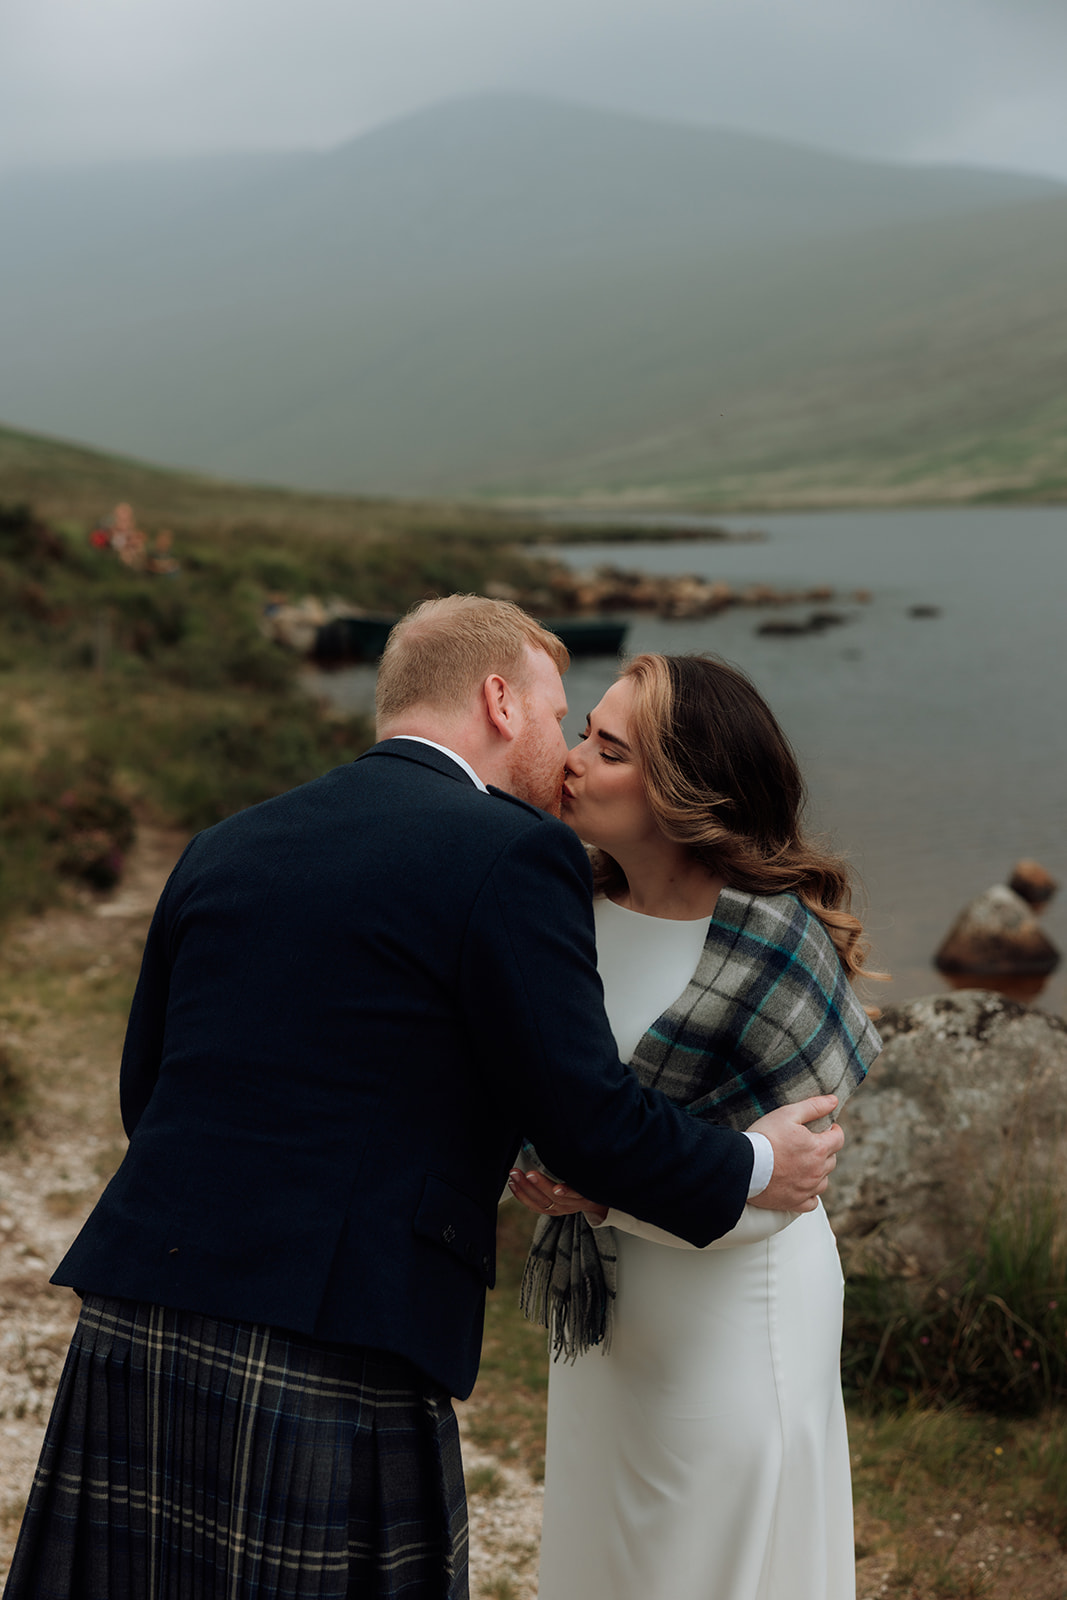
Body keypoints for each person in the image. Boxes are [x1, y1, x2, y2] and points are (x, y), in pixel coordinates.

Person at [4, 599, 844, 1600]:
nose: (565, 752)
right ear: (497, 699)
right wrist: (754, 1162)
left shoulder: (227, 842)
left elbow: (146, 1091)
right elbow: (586, 1117)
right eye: (557, 715)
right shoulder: (512, 854)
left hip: (138, 1305)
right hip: (338, 1326)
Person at [511, 652, 882, 1600]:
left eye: (608, 748)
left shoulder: (772, 942)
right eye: (583, 733)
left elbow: (786, 1187)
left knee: (712, 1569)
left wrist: (596, 1197)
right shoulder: (563, 913)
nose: (573, 761)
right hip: (605, 1325)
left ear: (682, 788)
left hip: (736, 1312)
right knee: (605, 1561)